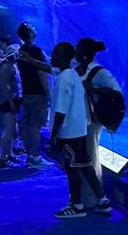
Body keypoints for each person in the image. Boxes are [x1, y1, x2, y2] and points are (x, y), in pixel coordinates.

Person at [48, 42, 112, 219]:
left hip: (68, 133)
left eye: (54, 53)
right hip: (80, 130)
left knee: (72, 168)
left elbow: (61, 109)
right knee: (85, 166)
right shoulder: (74, 75)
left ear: (63, 57)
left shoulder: (63, 79)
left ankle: (77, 205)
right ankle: (102, 200)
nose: (51, 56)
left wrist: (54, 134)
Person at [74, 37, 123, 209]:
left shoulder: (100, 72)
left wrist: (94, 89)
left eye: (78, 50)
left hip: (92, 121)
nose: (76, 53)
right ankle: (82, 196)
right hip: (78, 120)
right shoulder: (77, 69)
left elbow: (117, 92)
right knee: (81, 158)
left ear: (85, 54)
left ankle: (93, 198)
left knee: (90, 157)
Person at [15, 22, 53, 167]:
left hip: (27, 92)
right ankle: (35, 157)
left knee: (27, 123)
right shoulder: (35, 49)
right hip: (38, 92)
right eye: (33, 29)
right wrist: (47, 92)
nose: (35, 31)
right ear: (30, 34)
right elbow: (41, 71)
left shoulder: (21, 50)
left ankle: (30, 154)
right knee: (36, 125)